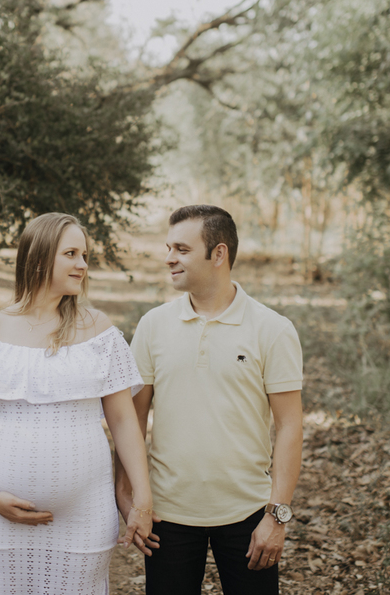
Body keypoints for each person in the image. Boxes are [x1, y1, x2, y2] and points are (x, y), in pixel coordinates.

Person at [0, 212, 155, 595]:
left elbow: (124, 420)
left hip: (85, 514)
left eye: (85, 255)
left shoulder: (100, 330)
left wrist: (142, 496)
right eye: (71, 253)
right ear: (39, 259)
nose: (83, 265)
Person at [115, 204, 304, 595]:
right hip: (168, 517)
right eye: (169, 248)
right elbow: (130, 419)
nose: (169, 258)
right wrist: (128, 492)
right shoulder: (153, 326)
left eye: (182, 249)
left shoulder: (273, 329)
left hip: (249, 515)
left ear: (218, 254)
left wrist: (277, 516)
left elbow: (290, 426)